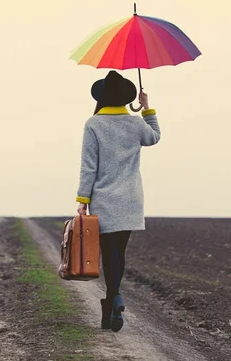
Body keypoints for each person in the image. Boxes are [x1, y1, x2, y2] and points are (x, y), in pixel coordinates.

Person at [76, 70, 161, 332]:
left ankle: (113, 299)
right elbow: (154, 137)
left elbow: (89, 167)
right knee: (119, 253)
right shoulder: (136, 124)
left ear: (101, 97)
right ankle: (112, 301)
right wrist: (147, 109)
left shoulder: (93, 124)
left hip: (104, 201)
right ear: (126, 97)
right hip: (131, 199)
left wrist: (83, 199)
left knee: (108, 252)